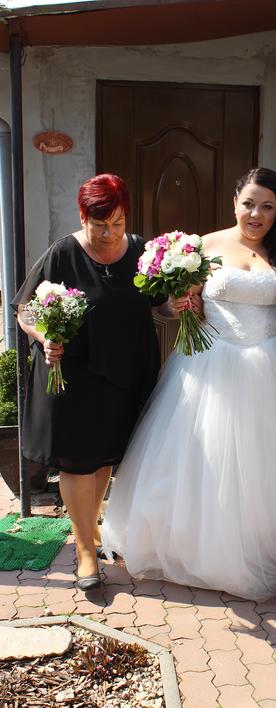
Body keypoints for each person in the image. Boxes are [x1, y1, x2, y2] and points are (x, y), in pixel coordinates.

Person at [102, 167, 276, 601]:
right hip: (209, 365)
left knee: (268, 468)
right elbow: (166, 311)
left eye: (267, 207)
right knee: (205, 461)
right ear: (234, 202)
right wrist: (178, 306)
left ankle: (262, 547)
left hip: (273, 366)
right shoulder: (204, 247)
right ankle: (198, 549)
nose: (256, 214)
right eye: (249, 204)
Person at [13, 174, 161, 591]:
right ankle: (84, 552)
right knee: (78, 460)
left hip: (124, 371)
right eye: (100, 225)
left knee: (104, 457)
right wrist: (44, 336)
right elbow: (25, 310)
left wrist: (181, 302)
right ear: (83, 218)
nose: (110, 233)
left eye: (117, 223)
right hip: (73, 374)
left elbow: (160, 305)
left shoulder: (139, 251)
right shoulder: (63, 252)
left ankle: (91, 531)